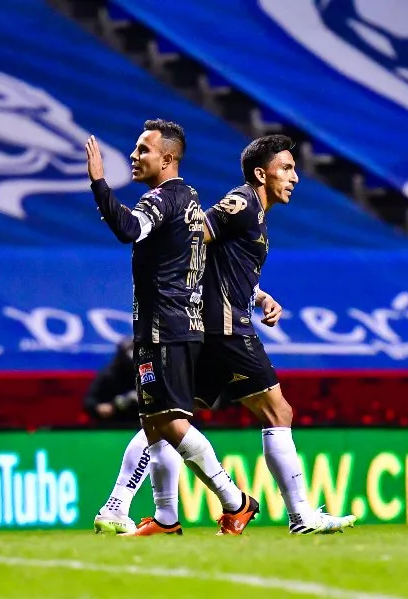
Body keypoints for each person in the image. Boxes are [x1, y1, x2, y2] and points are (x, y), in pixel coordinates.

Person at [94, 135, 357, 535]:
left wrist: (257, 293)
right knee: (278, 412)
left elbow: (216, 261)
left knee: (165, 419)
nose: (295, 177)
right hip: (225, 329)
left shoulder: (256, 214)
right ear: (260, 173)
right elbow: (195, 235)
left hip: (206, 325)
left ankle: (160, 516)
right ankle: (300, 515)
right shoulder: (242, 202)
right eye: (285, 168)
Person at [86, 121, 258, 536]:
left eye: (143, 149)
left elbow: (127, 228)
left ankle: (236, 501)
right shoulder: (189, 199)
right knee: (154, 423)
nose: (134, 155)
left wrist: (98, 183)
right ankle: (161, 517)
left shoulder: (163, 199)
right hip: (167, 324)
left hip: (168, 325)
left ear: (167, 159)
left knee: (170, 423)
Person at [83, 337, 140, 425]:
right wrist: (99, 407)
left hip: (140, 424)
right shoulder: (108, 375)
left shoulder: (146, 372)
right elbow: (89, 400)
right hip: (113, 424)